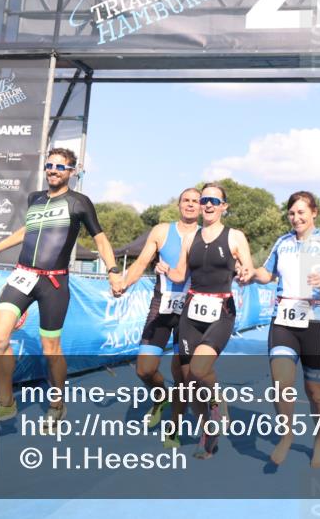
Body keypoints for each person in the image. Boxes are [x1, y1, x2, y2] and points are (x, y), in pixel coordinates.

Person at [0, 147, 123, 430]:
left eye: (60, 167)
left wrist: (113, 270)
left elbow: (100, 239)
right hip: (22, 276)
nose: (53, 170)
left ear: (72, 172)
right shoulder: (35, 199)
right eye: (50, 165)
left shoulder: (79, 202)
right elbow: (26, 231)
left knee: (50, 348)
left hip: (53, 283)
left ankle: (57, 404)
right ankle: (6, 402)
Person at [250, 191, 320, 468]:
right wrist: (251, 273)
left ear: (314, 212)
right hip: (283, 320)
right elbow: (267, 273)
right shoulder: (283, 242)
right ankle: (287, 435)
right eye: (291, 213)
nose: (296, 218)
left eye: (301, 212)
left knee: (316, 392)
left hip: (317, 321)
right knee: (280, 383)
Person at [164, 183, 254, 459]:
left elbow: (248, 269)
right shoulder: (190, 238)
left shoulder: (235, 236)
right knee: (189, 379)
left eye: (214, 201)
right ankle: (208, 432)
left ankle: (215, 398)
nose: (208, 205)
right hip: (191, 311)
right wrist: (164, 269)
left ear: (224, 206)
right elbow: (180, 275)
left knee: (199, 370)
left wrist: (244, 273)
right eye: (205, 200)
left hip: (221, 310)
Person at [120, 187, 200, 447]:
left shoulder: (205, 236)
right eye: (186, 200)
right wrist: (123, 284)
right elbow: (141, 263)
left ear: (202, 207)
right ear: (179, 204)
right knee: (144, 368)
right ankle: (160, 397)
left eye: (195, 201)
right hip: (161, 305)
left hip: (190, 310)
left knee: (183, 375)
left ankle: (174, 428)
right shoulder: (162, 231)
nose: (190, 205)